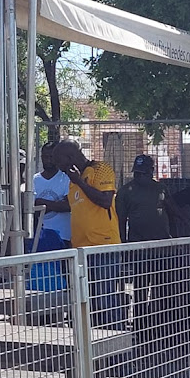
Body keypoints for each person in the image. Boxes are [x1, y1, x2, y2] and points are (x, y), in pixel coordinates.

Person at [115, 155, 181, 370]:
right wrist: (124, 247)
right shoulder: (126, 191)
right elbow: (121, 219)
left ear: (152, 171)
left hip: (162, 248)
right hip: (139, 247)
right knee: (141, 290)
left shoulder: (160, 188)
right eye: (138, 172)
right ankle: (142, 330)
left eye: (144, 172)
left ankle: (162, 330)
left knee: (163, 289)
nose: (141, 175)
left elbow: (172, 212)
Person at [53, 140, 122, 329]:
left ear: (70, 158)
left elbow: (105, 201)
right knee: (88, 300)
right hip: (81, 249)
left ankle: (115, 344)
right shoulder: (72, 182)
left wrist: (80, 183)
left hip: (102, 246)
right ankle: (94, 343)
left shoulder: (100, 169)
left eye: (60, 161)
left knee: (104, 298)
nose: (58, 167)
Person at [33, 141, 71, 246]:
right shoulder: (34, 180)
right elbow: (31, 208)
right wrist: (57, 204)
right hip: (40, 237)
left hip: (64, 236)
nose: (48, 160)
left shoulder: (66, 178)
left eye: (51, 157)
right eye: (45, 157)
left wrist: (41, 203)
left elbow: (68, 205)